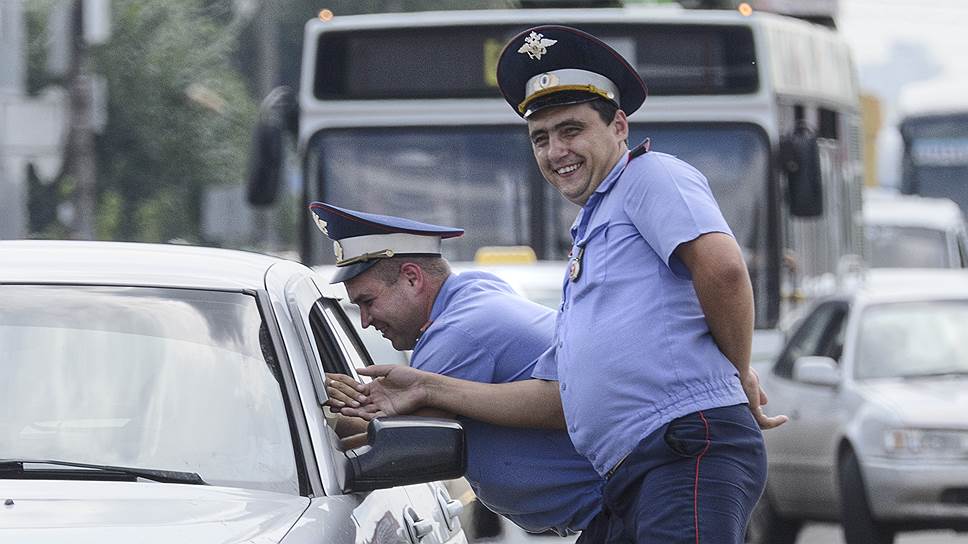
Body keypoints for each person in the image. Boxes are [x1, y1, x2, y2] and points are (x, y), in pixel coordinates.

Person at [336, 25, 788, 543]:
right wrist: (426, 386)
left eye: (571, 130)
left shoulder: (649, 176)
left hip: (683, 447)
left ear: (618, 125)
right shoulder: (592, 230)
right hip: (635, 467)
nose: (556, 151)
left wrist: (737, 371)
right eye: (541, 138)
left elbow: (725, 270)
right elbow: (556, 400)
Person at [307, 201, 605, 538]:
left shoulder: (456, 333)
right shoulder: (473, 294)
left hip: (614, 512)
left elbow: (395, 445)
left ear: (411, 278)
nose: (365, 320)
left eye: (368, 301)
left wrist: (315, 406)